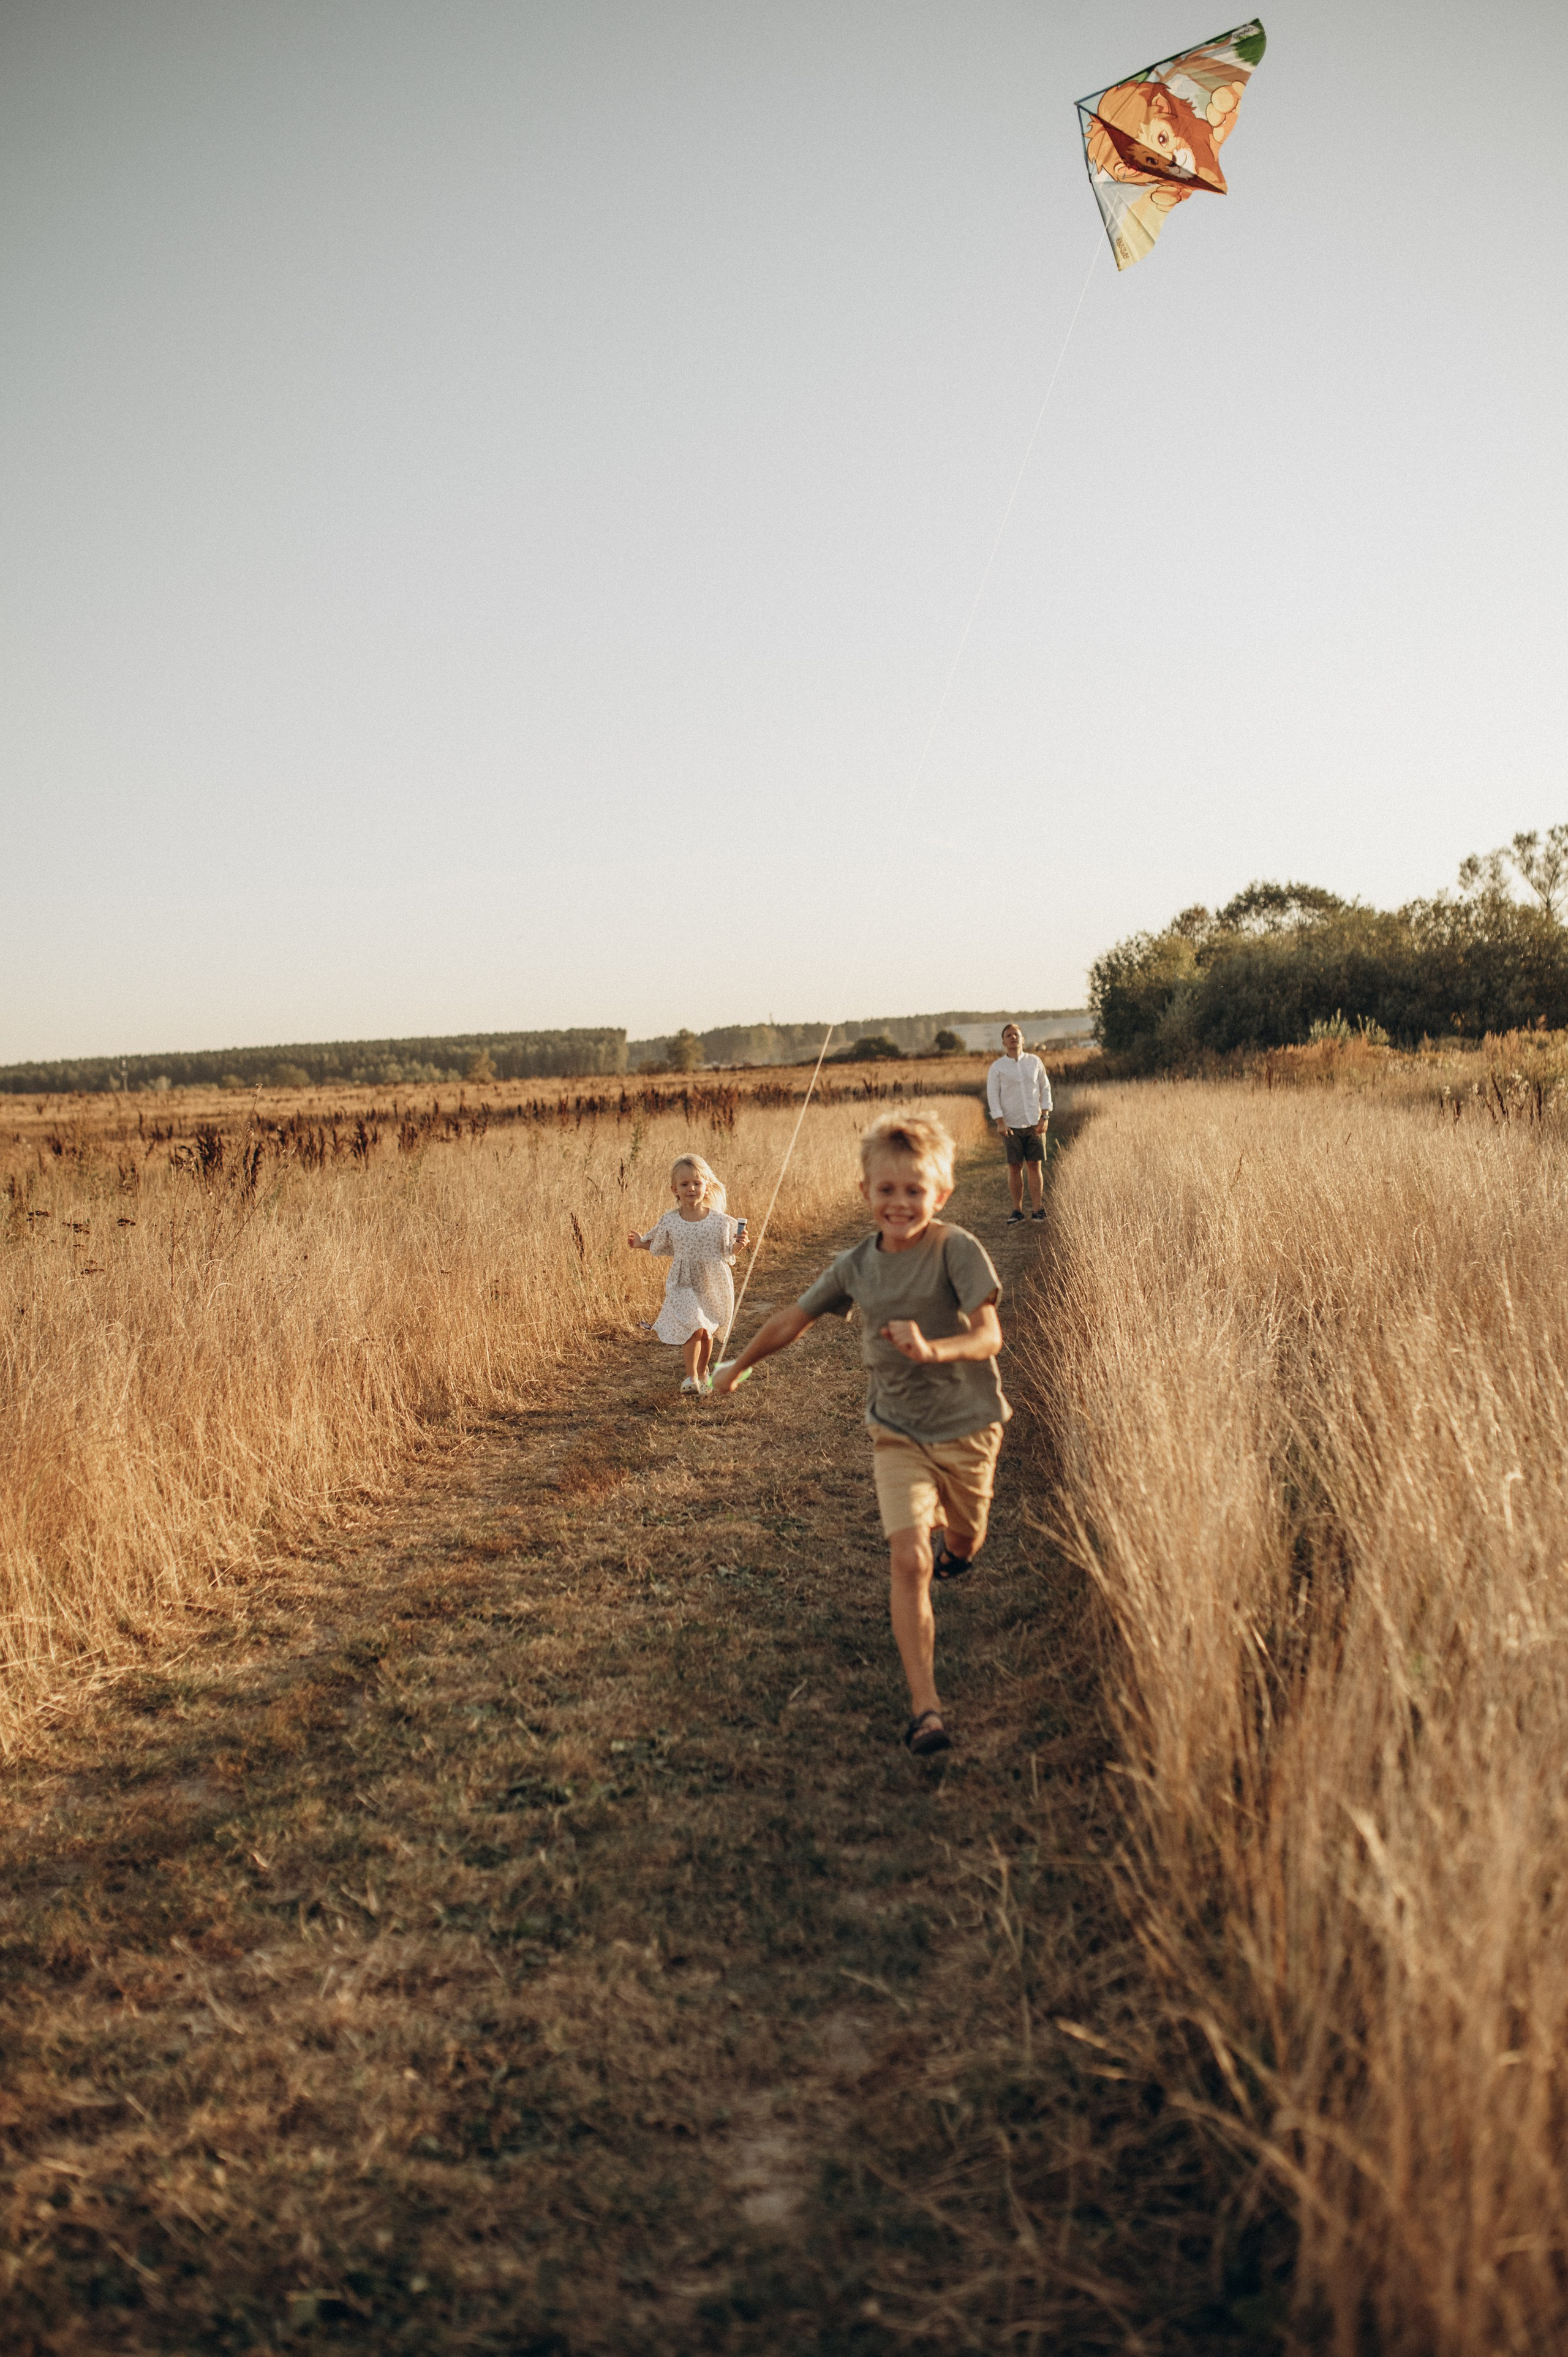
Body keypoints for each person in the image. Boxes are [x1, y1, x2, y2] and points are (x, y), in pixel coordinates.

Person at [712, 1112, 1006, 1757]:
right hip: (897, 1431)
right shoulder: (855, 1264)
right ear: (866, 1192)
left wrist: (934, 1350)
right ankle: (925, 1708)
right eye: (887, 1190)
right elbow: (795, 1317)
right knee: (909, 1557)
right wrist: (738, 1365)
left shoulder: (956, 1247)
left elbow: (989, 1335)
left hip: (968, 1427)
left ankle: (958, 1542)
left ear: (941, 1194)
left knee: (963, 1539)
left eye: (914, 1190)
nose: (900, 1203)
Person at [628, 1154, 747, 1392]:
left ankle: (703, 1371)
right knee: (695, 1324)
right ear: (675, 1190)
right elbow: (660, 1244)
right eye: (685, 1185)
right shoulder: (671, 1221)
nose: (691, 1189)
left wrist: (739, 1245)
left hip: (712, 1281)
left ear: (707, 1187)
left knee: (707, 1331)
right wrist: (641, 1243)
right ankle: (691, 1378)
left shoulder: (721, 1222)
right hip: (682, 1283)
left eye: (697, 1184)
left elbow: (728, 1251)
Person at [986, 1023, 1052, 1222]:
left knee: (1035, 1164)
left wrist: (1045, 1116)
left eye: (1016, 1035)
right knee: (1015, 1167)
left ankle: (1038, 1209)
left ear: (1023, 1039)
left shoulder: (1035, 1062)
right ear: (1004, 1042)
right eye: (1009, 1035)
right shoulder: (998, 1067)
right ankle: (1017, 1211)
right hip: (1011, 1126)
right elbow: (993, 1096)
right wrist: (1000, 1122)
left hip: (1035, 1123)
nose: (1013, 1038)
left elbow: (1045, 1088)